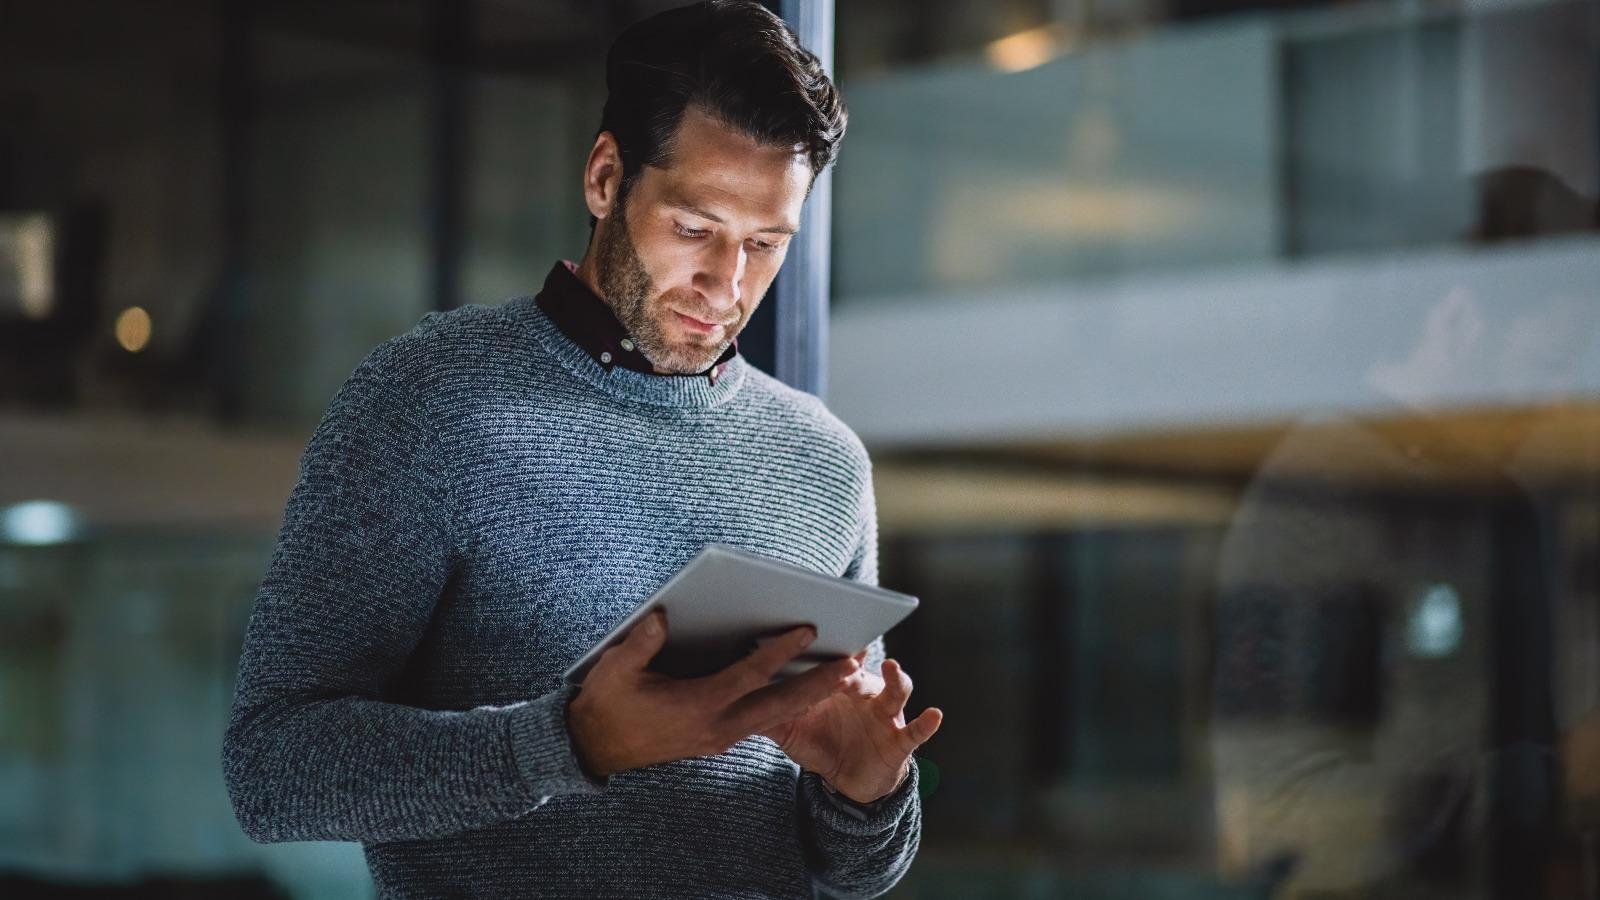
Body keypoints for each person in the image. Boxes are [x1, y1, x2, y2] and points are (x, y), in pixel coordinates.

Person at [221, 3, 943, 897]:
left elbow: (851, 870)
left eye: (765, 245)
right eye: (694, 228)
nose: (727, 284)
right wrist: (569, 745)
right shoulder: (430, 401)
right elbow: (273, 769)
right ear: (606, 178)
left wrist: (868, 796)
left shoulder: (823, 462)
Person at [1209, 167, 1599, 899]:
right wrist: (1548, 778)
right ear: (1455, 319)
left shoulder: (1501, 500)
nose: (1553, 400)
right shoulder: (1319, 498)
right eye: (1542, 365)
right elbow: (1284, 813)